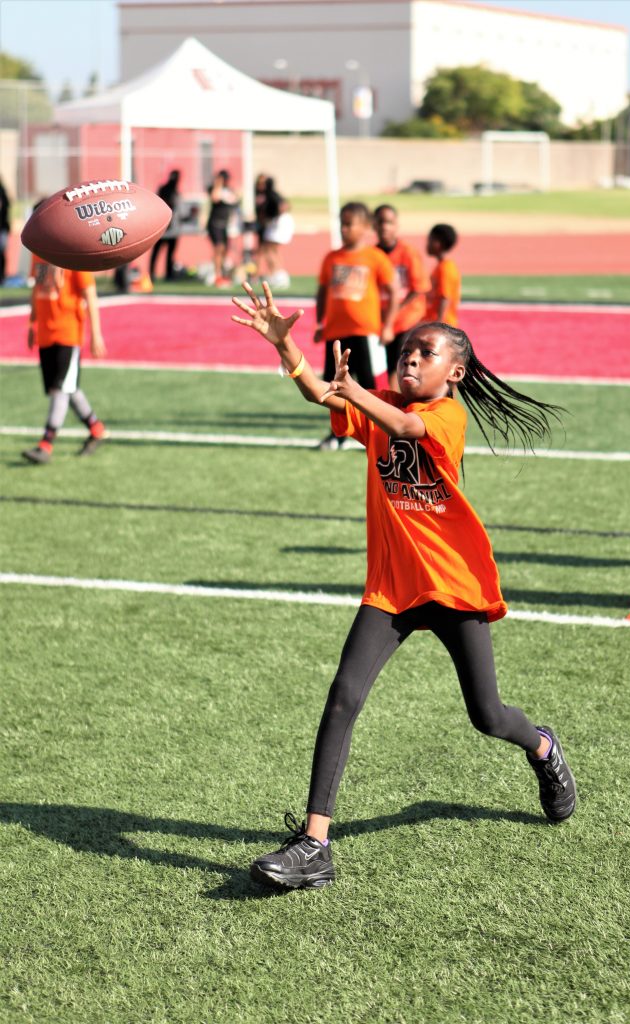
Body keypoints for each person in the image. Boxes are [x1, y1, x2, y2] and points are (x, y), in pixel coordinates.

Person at [231, 281, 577, 891]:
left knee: (488, 715)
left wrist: (357, 392)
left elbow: (405, 427)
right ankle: (315, 845)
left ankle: (543, 748)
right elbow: (320, 392)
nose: (410, 358)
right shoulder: (380, 406)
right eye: (406, 350)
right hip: (392, 588)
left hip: (452, 586)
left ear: (456, 373)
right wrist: (285, 347)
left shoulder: (445, 416)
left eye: (426, 352)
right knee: (343, 697)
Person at [315, 201, 398, 449]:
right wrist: (320, 322)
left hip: (366, 333)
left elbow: (394, 291)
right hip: (336, 334)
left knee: (371, 387)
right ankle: (339, 434)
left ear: (365, 227)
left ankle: (378, 434)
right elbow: (322, 291)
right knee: (334, 386)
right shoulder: (332, 257)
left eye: (349, 224)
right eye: (342, 223)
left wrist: (388, 325)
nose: (343, 229)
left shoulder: (375, 257)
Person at [22, 255, 107, 464]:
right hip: (46, 333)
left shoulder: (74, 253)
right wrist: (32, 323)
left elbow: (89, 293)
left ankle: (46, 444)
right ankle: (96, 429)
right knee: (68, 388)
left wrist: (96, 334)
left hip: (68, 332)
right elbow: (38, 289)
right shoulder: (39, 252)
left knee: (60, 389)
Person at [374, 204, 430, 389]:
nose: (385, 227)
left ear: (396, 225)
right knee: (384, 366)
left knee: (403, 364)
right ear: (374, 225)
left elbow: (419, 287)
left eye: (389, 222)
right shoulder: (371, 255)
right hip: (380, 320)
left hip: (406, 319)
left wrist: (396, 308)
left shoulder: (408, 253)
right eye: (380, 222)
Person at [425, 223, 461, 327]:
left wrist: (439, 325)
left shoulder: (445, 268)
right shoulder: (441, 266)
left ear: (438, 243)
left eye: (430, 240)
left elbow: (444, 297)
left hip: (444, 325)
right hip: (438, 323)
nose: (427, 244)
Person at [206, 169, 237, 287]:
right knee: (218, 248)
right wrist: (217, 184)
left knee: (224, 250)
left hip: (225, 225)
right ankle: (217, 275)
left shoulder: (228, 191)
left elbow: (234, 200)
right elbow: (215, 198)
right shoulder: (213, 189)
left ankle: (223, 273)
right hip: (215, 224)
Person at [149, 169, 181, 282]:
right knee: (157, 251)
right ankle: (151, 273)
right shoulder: (164, 189)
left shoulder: (176, 191)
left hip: (173, 227)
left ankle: (168, 273)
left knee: (170, 253)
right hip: (163, 226)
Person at [0, 177, 10, 284]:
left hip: (2, 228)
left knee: (1, 252)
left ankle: (2, 276)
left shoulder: (2, 191)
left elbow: (6, 207)